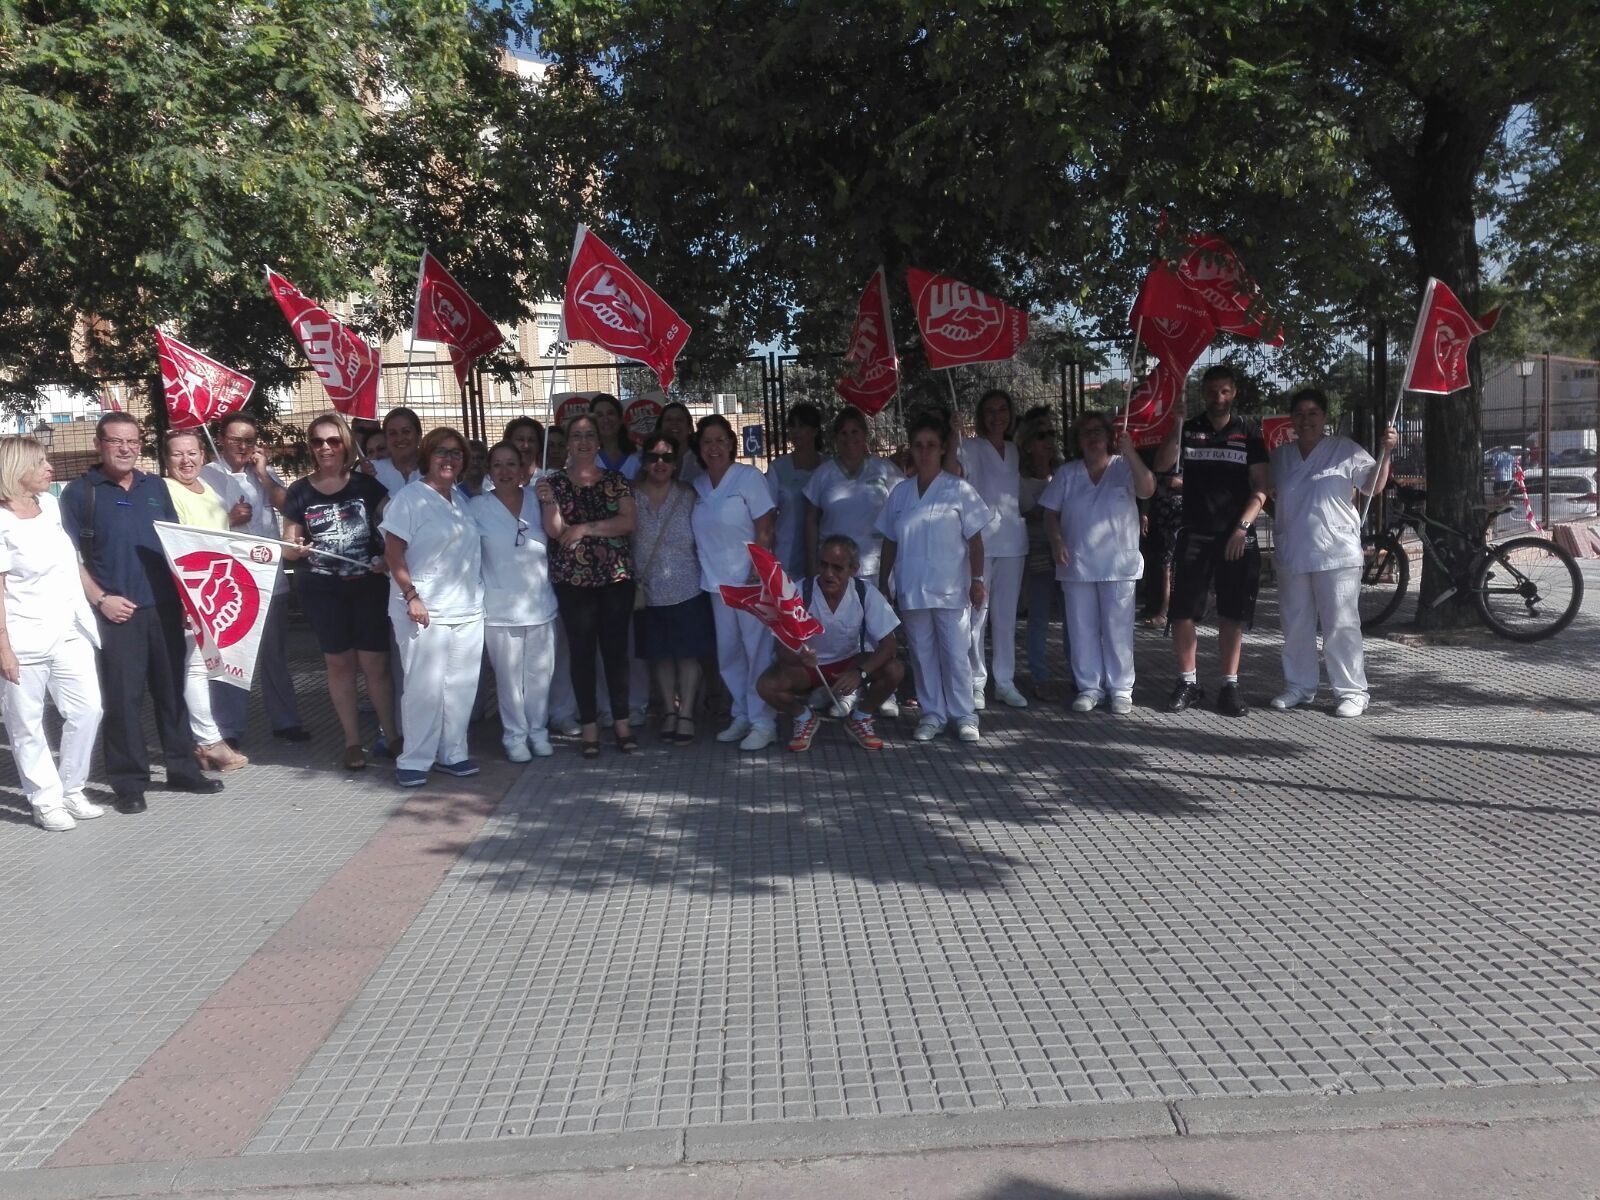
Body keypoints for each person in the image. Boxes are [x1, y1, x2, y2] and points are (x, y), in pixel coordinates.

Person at [60, 413, 224, 812]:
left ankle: (183, 770)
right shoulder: (80, 493)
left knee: (172, 694)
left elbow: (176, 546)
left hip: (165, 607)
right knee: (123, 700)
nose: (125, 448)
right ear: (99, 444)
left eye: (132, 441)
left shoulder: (156, 487)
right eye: (116, 441)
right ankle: (129, 783)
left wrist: (187, 601)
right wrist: (101, 599)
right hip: (116, 614)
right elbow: (68, 558)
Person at [282, 412, 399, 771]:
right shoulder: (299, 491)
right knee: (339, 662)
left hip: (367, 586)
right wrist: (296, 548)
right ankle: (352, 741)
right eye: (318, 441)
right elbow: (288, 547)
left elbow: (396, 528)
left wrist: (387, 559)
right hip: (322, 590)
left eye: (333, 440)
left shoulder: (367, 485)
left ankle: (392, 735)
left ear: (345, 444)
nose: (325, 448)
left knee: (375, 663)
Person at [1270, 388, 1398, 717]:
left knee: (1341, 625)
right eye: (1300, 414)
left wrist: (1386, 453)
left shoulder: (1344, 449)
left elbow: (1372, 486)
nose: (1306, 420)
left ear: (1324, 417)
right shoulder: (1281, 456)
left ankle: (1352, 692)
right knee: (1295, 624)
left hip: (1336, 552)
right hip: (1294, 551)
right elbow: (1268, 494)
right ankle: (1299, 686)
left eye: (1313, 413)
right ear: (1291, 419)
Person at [0, 437, 104, 830]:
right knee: (26, 724)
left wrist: (95, 598)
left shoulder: (50, 505)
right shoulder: (2, 521)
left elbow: (71, 561)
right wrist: (4, 648)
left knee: (88, 709)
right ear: (17, 469)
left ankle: (71, 788)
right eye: (41, 462)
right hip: (23, 636)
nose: (50, 468)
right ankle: (45, 800)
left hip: (69, 629)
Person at [1154, 365, 1269, 717]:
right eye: (1211, 391)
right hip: (1195, 532)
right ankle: (1188, 682)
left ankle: (1229, 686)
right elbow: (1162, 465)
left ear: (1234, 393)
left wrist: (1241, 529)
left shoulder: (1249, 430)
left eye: (1224, 391)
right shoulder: (1190, 428)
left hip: (1235, 536)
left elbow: (1262, 487)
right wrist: (1175, 426)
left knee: (1232, 612)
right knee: (1182, 612)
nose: (1218, 397)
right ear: (1203, 393)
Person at [876, 413, 991, 743]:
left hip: (951, 588)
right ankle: (931, 714)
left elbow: (975, 540)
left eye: (931, 445)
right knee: (922, 655)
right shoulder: (900, 493)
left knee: (955, 655)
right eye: (918, 445)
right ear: (910, 449)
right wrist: (883, 582)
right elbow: (889, 540)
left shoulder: (959, 489)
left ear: (942, 449)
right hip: (912, 588)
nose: (924, 452)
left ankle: (964, 715)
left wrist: (977, 579)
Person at [382, 426, 485, 786]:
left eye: (456, 453)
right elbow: (393, 552)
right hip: (425, 610)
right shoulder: (410, 498)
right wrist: (412, 596)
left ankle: (452, 753)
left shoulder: (460, 500)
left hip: (467, 609)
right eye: (441, 451)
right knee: (424, 688)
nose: (449, 459)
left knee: (460, 686)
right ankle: (414, 759)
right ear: (427, 456)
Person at [201, 413, 307, 748]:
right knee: (230, 655)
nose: (242, 447)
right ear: (221, 440)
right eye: (236, 439)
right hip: (230, 580)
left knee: (275, 653)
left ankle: (285, 720)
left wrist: (263, 474)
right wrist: (227, 519)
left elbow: (290, 506)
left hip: (268, 574)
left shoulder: (263, 473)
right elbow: (196, 528)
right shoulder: (206, 476)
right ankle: (229, 727)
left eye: (249, 440)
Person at [536, 413, 637, 757]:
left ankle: (621, 721)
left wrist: (584, 528)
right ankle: (590, 725)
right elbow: (554, 530)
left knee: (615, 652)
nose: (583, 442)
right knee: (581, 654)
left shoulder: (616, 480)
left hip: (615, 578)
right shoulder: (554, 483)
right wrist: (548, 501)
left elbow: (627, 522)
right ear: (567, 442)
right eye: (576, 435)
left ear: (598, 441)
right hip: (573, 581)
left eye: (589, 435)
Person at [1042, 413, 1156, 715]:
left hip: (1119, 565)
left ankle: (1121, 689)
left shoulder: (1124, 467)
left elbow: (1147, 489)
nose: (1092, 437)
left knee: (1118, 630)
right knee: (1081, 630)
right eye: (1085, 433)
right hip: (1076, 564)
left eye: (1098, 431)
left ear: (1109, 436)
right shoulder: (1067, 473)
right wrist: (1056, 541)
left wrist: (1131, 452)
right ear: (1077, 441)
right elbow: (1050, 514)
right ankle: (1089, 687)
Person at [757, 534, 904, 752]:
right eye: (823, 565)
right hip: (808, 668)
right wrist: (800, 656)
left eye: (837, 568)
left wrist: (860, 673)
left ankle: (860, 718)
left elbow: (889, 646)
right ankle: (804, 717)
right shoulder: (798, 592)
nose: (828, 574)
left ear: (854, 569)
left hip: (849, 663)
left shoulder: (865, 593)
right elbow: (781, 649)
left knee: (894, 669)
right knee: (766, 686)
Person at [162, 429, 250, 772]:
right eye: (177, 454)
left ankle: (204, 743)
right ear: (166, 459)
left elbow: (215, 537)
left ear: (203, 455)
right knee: (196, 667)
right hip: (191, 591)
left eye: (192, 453)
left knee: (205, 665)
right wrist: (184, 596)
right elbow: (178, 544)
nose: (186, 460)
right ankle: (209, 741)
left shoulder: (207, 489)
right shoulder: (168, 490)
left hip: (212, 590)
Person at [691, 413, 778, 750]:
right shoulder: (698, 485)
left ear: (731, 444)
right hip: (716, 584)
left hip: (749, 581)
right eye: (707, 442)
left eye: (719, 440)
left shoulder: (748, 477)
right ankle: (742, 713)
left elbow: (765, 525)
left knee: (757, 652)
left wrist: (758, 568)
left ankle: (763, 721)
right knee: (729, 654)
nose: (713, 447)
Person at [471, 443, 558, 760]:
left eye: (511, 464)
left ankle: (538, 731)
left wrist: (550, 502)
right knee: (508, 680)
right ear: (489, 470)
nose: (505, 471)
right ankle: (514, 736)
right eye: (498, 465)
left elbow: (557, 532)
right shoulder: (476, 507)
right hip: (500, 608)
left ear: (523, 469)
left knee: (539, 676)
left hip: (540, 604)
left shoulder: (538, 498)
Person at [631, 432, 715, 744]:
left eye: (667, 457)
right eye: (653, 457)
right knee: (661, 656)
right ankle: (669, 710)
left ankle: (687, 713)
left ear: (676, 463)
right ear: (644, 461)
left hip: (688, 587)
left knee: (688, 656)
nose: (660, 463)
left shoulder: (689, 496)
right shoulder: (630, 496)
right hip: (648, 591)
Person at [953, 388, 1029, 710]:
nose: (997, 417)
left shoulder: (1014, 450)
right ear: (981, 417)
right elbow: (953, 474)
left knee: (1005, 619)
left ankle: (1005, 682)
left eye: (1002, 410)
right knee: (976, 616)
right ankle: (976, 682)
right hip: (979, 544)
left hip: (1013, 544)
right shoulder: (969, 447)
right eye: (990, 411)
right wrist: (954, 435)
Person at [803, 408, 900, 587]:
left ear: (864, 434)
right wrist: (812, 565)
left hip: (876, 568)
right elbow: (811, 520)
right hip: (833, 569)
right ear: (836, 437)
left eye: (855, 431)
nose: (849, 438)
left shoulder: (883, 468)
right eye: (844, 433)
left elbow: (902, 508)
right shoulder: (823, 474)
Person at [1015, 409, 1069, 688]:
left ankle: (1077, 673)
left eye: (1052, 433)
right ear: (1027, 444)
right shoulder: (1018, 477)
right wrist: (1042, 512)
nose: (1048, 440)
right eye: (1041, 435)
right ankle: (1039, 675)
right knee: (1039, 616)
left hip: (1065, 549)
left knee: (1072, 615)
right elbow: (1018, 512)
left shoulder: (1063, 471)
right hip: (1036, 551)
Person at [766, 403, 823, 581]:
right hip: (787, 555)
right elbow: (768, 515)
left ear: (815, 430)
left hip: (825, 554)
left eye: (802, 425)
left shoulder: (830, 467)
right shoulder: (777, 468)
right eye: (792, 426)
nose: (796, 431)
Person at [1138, 446, 1183, 627]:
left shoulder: (1189, 450)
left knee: (1168, 564)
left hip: (1180, 515)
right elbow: (1149, 485)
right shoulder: (1158, 454)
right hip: (1160, 514)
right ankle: (1157, 605)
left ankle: (1165, 611)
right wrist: (1145, 513)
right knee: (1158, 561)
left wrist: (1181, 484)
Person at [372, 406, 423, 496]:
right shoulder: (374, 470)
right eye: (393, 433)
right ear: (386, 439)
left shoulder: (434, 470)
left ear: (419, 435)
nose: (400, 438)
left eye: (406, 431)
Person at [589, 394, 634, 473]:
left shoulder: (640, 458)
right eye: (600, 415)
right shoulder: (586, 460)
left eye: (610, 413)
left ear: (620, 419)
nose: (606, 420)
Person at [504, 416, 544, 483]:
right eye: (520, 439)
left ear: (539, 445)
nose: (526, 446)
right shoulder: (494, 481)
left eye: (531, 440)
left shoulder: (549, 479)